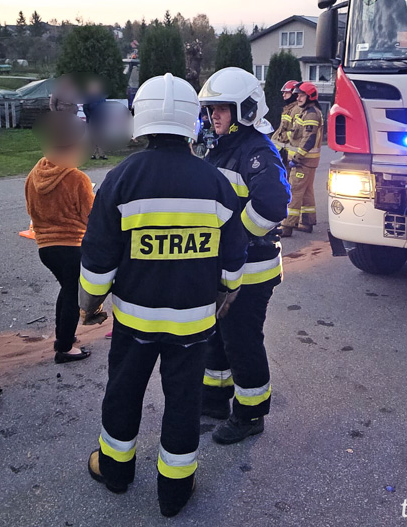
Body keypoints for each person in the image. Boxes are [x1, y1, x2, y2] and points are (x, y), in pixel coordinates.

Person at [79, 73, 247, 517]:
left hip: (135, 323)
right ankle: (174, 492)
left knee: (123, 393)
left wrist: (89, 304)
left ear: (142, 120)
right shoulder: (215, 183)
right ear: (192, 121)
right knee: (183, 403)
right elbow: (234, 260)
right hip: (194, 324)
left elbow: (98, 257)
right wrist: (226, 290)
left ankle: (115, 471)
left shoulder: (120, 179)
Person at [197, 67, 291, 445]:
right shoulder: (223, 147)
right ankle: (216, 400)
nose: (213, 116)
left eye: (221, 108)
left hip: (251, 271)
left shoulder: (257, 151)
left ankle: (251, 414)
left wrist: (233, 239)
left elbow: (273, 204)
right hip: (226, 268)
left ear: (246, 110)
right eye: (210, 109)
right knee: (217, 337)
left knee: (242, 341)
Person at [25, 112, 95, 364]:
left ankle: (63, 338)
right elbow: (91, 217)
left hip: (45, 247)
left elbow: (31, 210)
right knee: (73, 296)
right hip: (71, 245)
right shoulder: (77, 178)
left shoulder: (35, 173)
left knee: (66, 291)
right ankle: (65, 348)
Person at [280, 81, 324, 237]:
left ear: (310, 96)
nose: (297, 98)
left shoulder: (311, 113)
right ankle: (306, 222)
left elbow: (308, 139)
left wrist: (297, 158)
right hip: (308, 161)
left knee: (294, 191)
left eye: (301, 95)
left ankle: (286, 226)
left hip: (303, 160)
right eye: (297, 95)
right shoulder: (307, 111)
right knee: (306, 192)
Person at [270, 80, 301, 169]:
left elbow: (296, 131)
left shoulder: (297, 110)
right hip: (282, 153)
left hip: (289, 153)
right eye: (283, 93)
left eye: (286, 93)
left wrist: (282, 137)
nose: (283, 95)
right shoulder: (288, 109)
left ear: (294, 94)